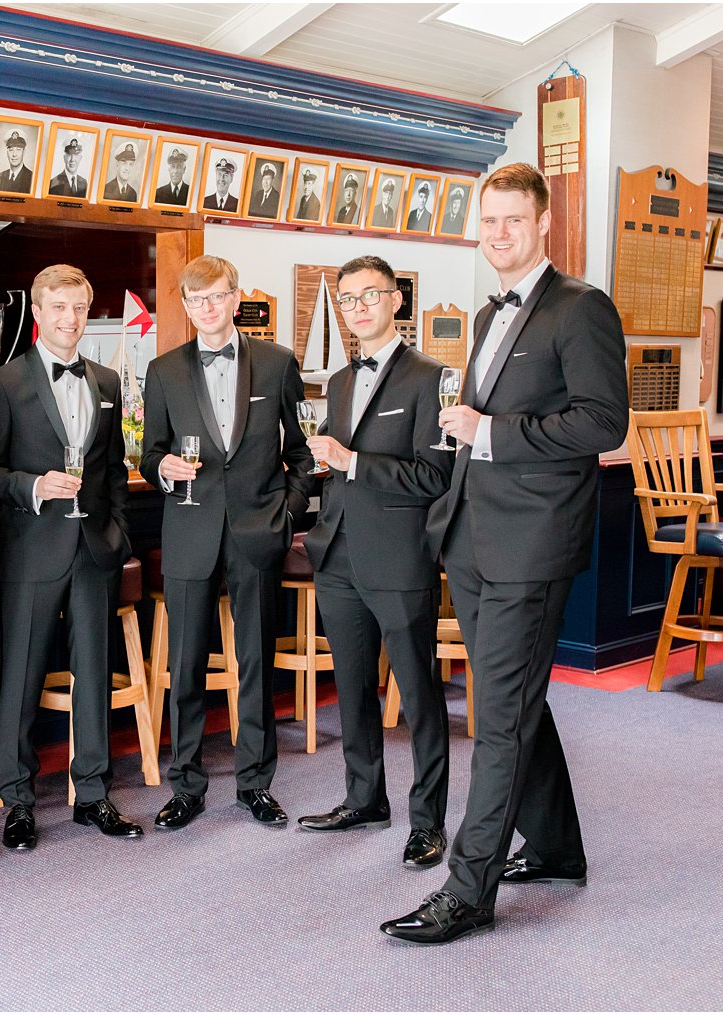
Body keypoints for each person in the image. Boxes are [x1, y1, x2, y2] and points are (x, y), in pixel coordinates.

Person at [382, 162, 627, 945]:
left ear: (543, 221)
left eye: (512, 220)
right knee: (515, 703)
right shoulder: (489, 315)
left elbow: (603, 423)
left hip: (534, 542)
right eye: (487, 221)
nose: (498, 234)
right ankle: (556, 847)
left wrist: (491, 433)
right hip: (473, 536)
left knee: (498, 719)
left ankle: (468, 889)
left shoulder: (582, 308)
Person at [138, 254, 314, 831]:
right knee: (185, 665)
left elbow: (302, 454)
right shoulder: (162, 370)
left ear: (236, 299)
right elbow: (149, 453)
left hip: (256, 535)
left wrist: (285, 516)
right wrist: (163, 466)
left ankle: (255, 785)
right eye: (197, 300)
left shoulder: (278, 363)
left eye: (217, 297)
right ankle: (186, 784)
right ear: (186, 308)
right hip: (189, 532)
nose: (208, 309)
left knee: (256, 663)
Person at [0, 264, 143, 850]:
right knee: (19, 675)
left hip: (94, 547)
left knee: (94, 674)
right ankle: (17, 801)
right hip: (30, 549)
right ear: (38, 314)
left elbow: (115, 469)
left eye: (79, 308)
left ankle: (93, 795)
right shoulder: (2, 383)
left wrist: (117, 531)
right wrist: (31, 486)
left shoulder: (107, 381)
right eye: (59, 308)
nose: (70, 319)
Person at [297, 255, 453, 870]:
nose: (358, 308)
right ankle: (364, 799)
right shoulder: (336, 381)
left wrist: (352, 460)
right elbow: (333, 467)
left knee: (417, 693)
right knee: (353, 689)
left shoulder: (429, 377)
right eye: (348, 299)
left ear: (397, 300)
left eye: (370, 296)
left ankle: (429, 821)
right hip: (335, 554)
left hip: (398, 557)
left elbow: (433, 476)